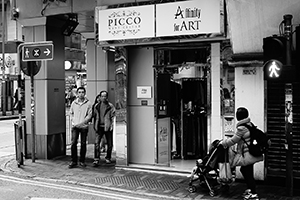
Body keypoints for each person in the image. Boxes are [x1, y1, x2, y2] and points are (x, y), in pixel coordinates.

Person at [221, 107, 263, 200]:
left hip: (248, 154)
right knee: (247, 171)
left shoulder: (241, 128)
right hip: (251, 153)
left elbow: (233, 140)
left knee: (246, 172)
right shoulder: (249, 124)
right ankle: (250, 190)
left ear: (238, 116)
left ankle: (253, 193)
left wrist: (222, 143)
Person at [68, 87, 92, 168]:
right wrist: (73, 121)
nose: (81, 94)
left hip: (84, 127)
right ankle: (73, 161)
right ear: (77, 93)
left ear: (85, 93)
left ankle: (82, 161)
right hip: (75, 126)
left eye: (82, 92)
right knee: (73, 143)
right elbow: (71, 113)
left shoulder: (88, 103)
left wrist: (82, 123)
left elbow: (89, 115)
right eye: (79, 92)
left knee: (83, 144)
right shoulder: (74, 103)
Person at [92, 90, 115, 166]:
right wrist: (94, 125)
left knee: (110, 144)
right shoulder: (96, 106)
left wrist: (111, 125)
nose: (104, 98)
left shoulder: (110, 106)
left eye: (105, 96)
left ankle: (108, 157)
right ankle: (96, 159)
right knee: (96, 143)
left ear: (107, 97)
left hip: (107, 127)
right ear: (100, 97)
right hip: (99, 127)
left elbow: (113, 116)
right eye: (102, 96)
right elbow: (94, 116)